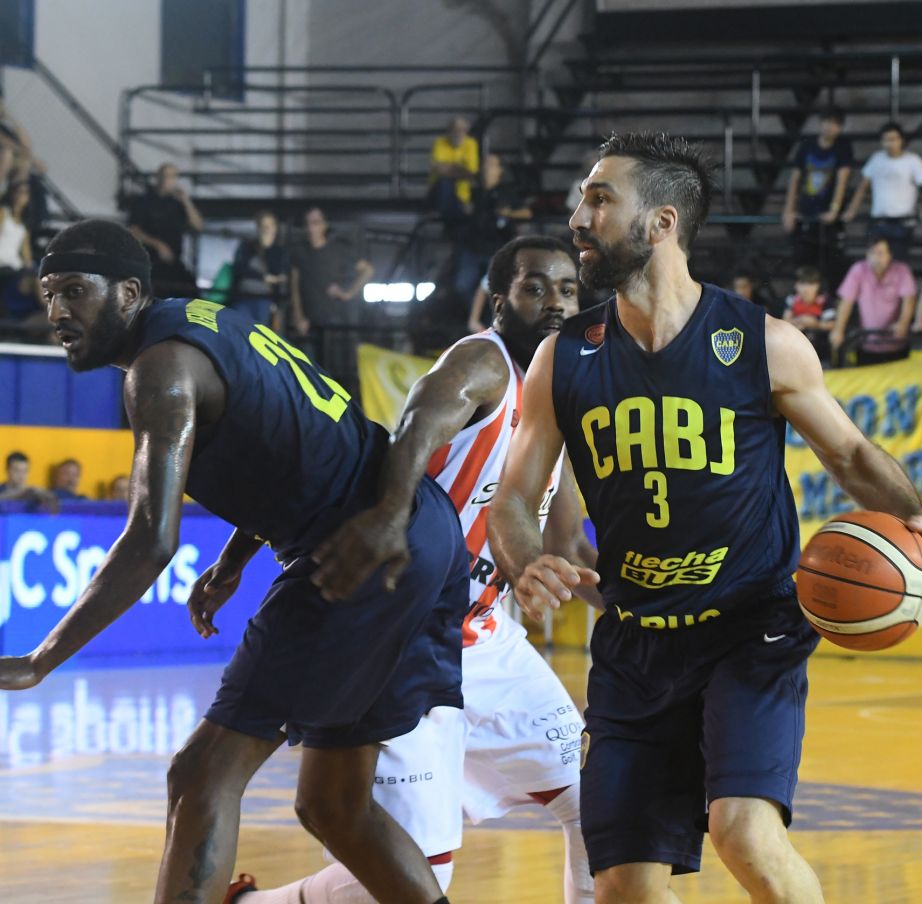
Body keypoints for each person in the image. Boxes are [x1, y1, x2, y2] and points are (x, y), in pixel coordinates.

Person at [487, 131, 922, 904]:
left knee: (743, 831)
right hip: (635, 644)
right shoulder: (562, 358)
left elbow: (849, 453)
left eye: (600, 199)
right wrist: (525, 557)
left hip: (750, 628)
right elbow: (512, 496)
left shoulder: (764, 343)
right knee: (622, 889)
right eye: (582, 199)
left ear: (662, 222)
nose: (578, 217)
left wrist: (918, 520)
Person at [0, 218, 468, 904]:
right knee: (335, 804)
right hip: (422, 533)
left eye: (74, 290)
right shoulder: (207, 321)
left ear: (127, 293)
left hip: (356, 547)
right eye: (48, 294)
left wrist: (42, 658)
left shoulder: (160, 370)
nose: (57, 312)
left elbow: (150, 540)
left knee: (202, 774)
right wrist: (232, 559)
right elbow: (288, 438)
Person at [227, 235, 598, 904]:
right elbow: (414, 429)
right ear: (499, 301)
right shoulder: (482, 361)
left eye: (568, 290)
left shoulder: (556, 403)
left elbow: (570, 546)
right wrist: (389, 518)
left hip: (487, 640)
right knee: (406, 880)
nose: (555, 303)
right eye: (535, 287)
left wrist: (650, 602)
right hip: (407, 642)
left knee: (600, 798)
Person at [289, 207, 374, 390]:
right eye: (308, 223)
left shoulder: (338, 249)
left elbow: (367, 270)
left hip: (335, 321)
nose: (311, 228)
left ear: (324, 225)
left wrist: (348, 293)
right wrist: (298, 316)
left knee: (336, 372)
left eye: (315, 223)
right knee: (308, 374)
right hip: (309, 323)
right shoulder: (300, 252)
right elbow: (295, 285)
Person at [843, 122, 922, 262]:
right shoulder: (876, 159)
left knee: (898, 263)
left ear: (901, 140)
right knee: (875, 262)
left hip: (903, 221)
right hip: (878, 221)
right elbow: (862, 187)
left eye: (893, 139)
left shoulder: (913, 160)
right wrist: (852, 210)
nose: (889, 144)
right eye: (886, 140)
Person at [781, 107, 853, 292]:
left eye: (835, 124)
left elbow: (842, 179)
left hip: (829, 217)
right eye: (827, 122)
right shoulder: (807, 145)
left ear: (840, 127)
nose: (830, 127)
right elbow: (795, 179)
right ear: (821, 123)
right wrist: (788, 210)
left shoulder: (843, 147)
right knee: (803, 262)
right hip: (806, 212)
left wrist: (834, 209)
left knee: (832, 265)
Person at [452, 152, 532, 309]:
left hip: (497, 247)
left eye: (491, 165)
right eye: (484, 165)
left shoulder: (506, 191)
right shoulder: (475, 192)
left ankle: (492, 317)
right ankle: (477, 314)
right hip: (473, 246)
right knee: (463, 284)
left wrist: (508, 213)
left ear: (499, 170)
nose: (486, 168)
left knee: (494, 286)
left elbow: (527, 213)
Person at [830, 236, 917, 365]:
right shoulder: (858, 270)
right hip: (867, 345)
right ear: (867, 255)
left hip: (896, 344)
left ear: (889, 255)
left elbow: (909, 300)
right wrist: (838, 330)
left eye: (880, 253)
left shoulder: (902, 270)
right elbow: (846, 302)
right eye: (872, 253)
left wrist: (903, 323)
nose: (876, 258)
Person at [128, 162, 204, 295]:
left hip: (174, 262)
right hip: (151, 262)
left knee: (191, 291)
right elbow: (134, 230)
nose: (170, 181)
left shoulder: (177, 204)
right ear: (159, 178)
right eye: (167, 176)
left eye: (174, 177)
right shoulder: (144, 201)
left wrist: (186, 200)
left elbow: (198, 225)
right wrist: (158, 245)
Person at [0, 178, 46, 338]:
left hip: (16, 268)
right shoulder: (3, 214)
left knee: (40, 276)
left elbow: (26, 255)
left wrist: (33, 267)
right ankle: (48, 307)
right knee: (33, 280)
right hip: (3, 267)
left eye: (25, 193)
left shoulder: (23, 225)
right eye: (19, 192)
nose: (21, 196)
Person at [230, 210, 289, 327]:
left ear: (275, 228)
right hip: (243, 296)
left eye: (270, 225)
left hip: (265, 300)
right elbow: (240, 268)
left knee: (260, 331)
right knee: (240, 328)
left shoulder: (279, 252)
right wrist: (264, 277)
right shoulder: (247, 247)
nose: (267, 229)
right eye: (263, 226)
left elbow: (279, 275)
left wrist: (267, 249)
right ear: (258, 228)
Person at [427, 116, 480, 226]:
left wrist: (449, 168)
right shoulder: (440, 142)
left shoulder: (471, 144)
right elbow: (440, 170)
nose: (459, 133)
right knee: (445, 182)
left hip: (462, 196)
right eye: (455, 130)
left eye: (462, 130)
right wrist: (460, 170)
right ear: (449, 131)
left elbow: (471, 173)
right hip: (438, 194)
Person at [783, 265, 834, 360]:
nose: (806, 288)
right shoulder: (792, 299)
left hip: (820, 346)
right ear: (796, 285)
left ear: (818, 286)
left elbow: (832, 324)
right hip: (795, 347)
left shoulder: (826, 301)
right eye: (802, 283)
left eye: (811, 284)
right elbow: (785, 322)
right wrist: (801, 321)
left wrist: (816, 324)